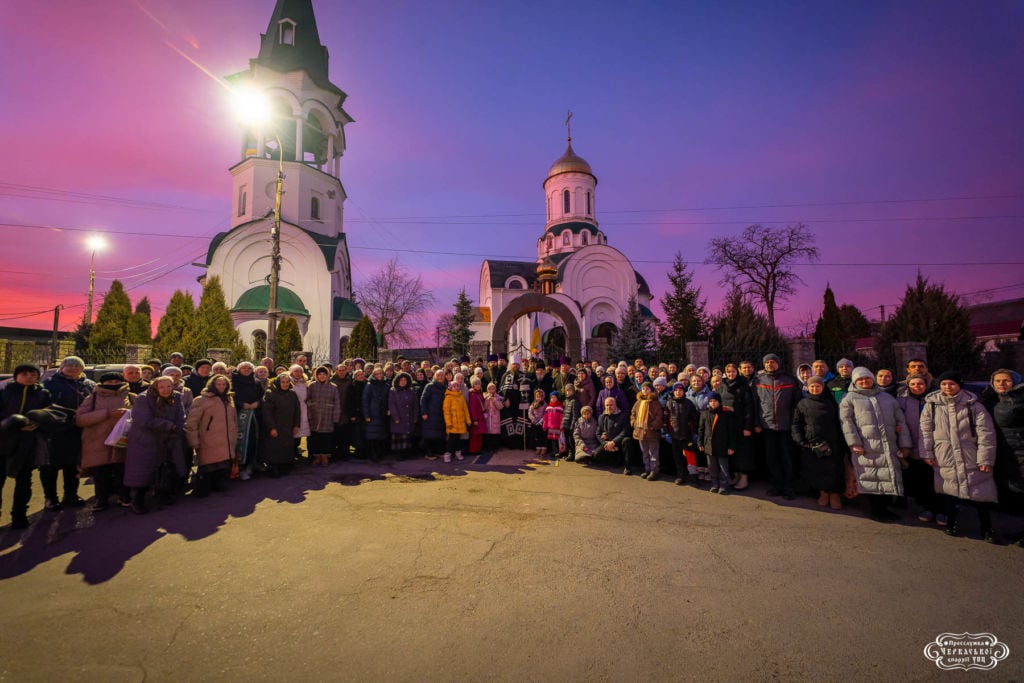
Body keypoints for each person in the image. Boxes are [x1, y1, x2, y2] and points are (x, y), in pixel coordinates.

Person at [920, 372, 999, 542]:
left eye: (951, 384)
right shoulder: (932, 405)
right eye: (944, 384)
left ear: (959, 385)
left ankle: (987, 528)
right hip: (945, 454)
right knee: (950, 492)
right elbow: (925, 432)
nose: (947, 387)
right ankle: (951, 523)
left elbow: (986, 434)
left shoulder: (974, 406)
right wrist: (926, 453)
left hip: (970, 454)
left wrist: (985, 459)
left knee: (980, 494)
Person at [840, 367, 912, 522]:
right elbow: (847, 423)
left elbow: (901, 421)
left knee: (888, 477)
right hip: (866, 447)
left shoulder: (887, 398)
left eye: (867, 378)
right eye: (860, 379)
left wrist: (905, 444)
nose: (864, 381)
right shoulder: (849, 399)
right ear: (855, 381)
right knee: (870, 477)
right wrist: (854, 443)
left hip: (888, 445)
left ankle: (884, 508)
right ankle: (875, 510)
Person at [124, 377, 187, 513]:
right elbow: (144, 420)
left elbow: (181, 415)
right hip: (146, 440)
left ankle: (163, 495)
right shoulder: (144, 398)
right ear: (155, 387)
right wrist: (170, 426)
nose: (166, 390)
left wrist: (178, 428)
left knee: (167, 467)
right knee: (143, 472)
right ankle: (137, 501)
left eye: (169, 386)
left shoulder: (176, 397)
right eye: (162, 387)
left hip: (169, 438)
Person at [0, 364, 51, 528]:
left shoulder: (43, 394)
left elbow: (50, 414)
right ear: (16, 376)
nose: (29, 376)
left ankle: (19, 516)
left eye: (33, 374)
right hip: (4, 441)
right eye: (25, 373)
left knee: (24, 481)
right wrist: (7, 423)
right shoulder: (4, 392)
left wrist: (38, 424)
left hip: (28, 443)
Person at [41, 356, 94, 510]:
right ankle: (50, 498)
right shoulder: (50, 384)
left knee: (73, 465)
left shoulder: (89, 385)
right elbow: (43, 405)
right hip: (55, 431)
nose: (73, 368)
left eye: (77, 366)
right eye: (69, 365)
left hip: (78, 430)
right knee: (50, 466)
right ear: (62, 367)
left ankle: (71, 495)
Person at [75, 372, 133, 511]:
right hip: (98, 440)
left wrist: (128, 413)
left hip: (123, 440)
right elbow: (80, 419)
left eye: (116, 381)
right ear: (102, 383)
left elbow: (141, 414)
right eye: (109, 382)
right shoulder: (93, 398)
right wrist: (106, 413)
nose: (113, 384)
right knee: (101, 473)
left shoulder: (130, 396)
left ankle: (124, 496)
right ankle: (101, 500)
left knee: (123, 471)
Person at [792, 376, 846, 510]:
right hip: (812, 442)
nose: (815, 389)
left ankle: (834, 494)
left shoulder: (831, 402)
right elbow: (796, 423)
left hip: (832, 441)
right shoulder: (802, 403)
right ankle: (823, 493)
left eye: (818, 386)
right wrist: (800, 440)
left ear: (822, 387)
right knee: (816, 469)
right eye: (812, 386)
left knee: (833, 469)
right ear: (808, 388)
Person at [753, 354, 802, 500]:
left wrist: (794, 423)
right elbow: (755, 404)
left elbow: (796, 403)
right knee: (771, 457)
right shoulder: (758, 381)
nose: (770, 365)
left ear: (778, 363)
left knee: (787, 457)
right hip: (767, 426)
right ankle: (776, 485)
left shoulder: (789, 380)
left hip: (785, 426)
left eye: (772, 362)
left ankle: (788, 487)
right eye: (767, 362)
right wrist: (757, 422)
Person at [897, 374, 944, 525]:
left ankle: (942, 509)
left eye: (920, 384)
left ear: (926, 385)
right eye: (913, 384)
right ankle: (927, 507)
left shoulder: (935, 400)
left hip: (935, 445)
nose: (917, 387)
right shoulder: (902, 400)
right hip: (913, 444)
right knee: (922, 479)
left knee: (938, 478)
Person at [985, 369, 1024, 541]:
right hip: (1003, 452)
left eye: (1006, 380)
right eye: (998, 381)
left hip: (1020, 452)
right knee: (1015, 492)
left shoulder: (1020, 400)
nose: (1001, 383)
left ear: (1015, 381)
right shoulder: (992, 399)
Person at [184, 375, 238, 496]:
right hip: (208, 439)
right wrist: (194, 441)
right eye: (218, 384)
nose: (221, 387)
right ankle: (202, 488)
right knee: (207, 466)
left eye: (224, 384)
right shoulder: (201, 399)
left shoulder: (229, 399)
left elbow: (233, 419)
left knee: (222, 465)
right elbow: (192, 423)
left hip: (225, 439)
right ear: (212, 385)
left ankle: (218, 484)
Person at [719, 363, 755, 490]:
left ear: (737, 372)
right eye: (728, 372)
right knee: (732, 450)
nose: (731, 374)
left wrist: (747, 427)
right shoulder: (722, 385)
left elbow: (749, 407)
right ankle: (736, 475)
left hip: (740, 423)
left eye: (733, 371)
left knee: (743, 452)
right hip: (727, 424)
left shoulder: (744, 385)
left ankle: (744, 478)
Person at [260, 374, 301, 477]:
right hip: (276, 425)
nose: (285, 384)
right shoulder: (271, 393)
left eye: (287, 382)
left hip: (288, 427)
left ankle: (285, 466)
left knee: (286, 447)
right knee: (274, 448)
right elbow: (267, 413)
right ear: (278, 382)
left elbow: (297, 410)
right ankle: (273, 468)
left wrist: (296, 425)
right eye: (283, 382)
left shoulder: (292, 394)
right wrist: (271, 427)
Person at [698, 392, 736, 494]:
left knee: (723, 467)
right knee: (712, 466)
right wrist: (700, 443)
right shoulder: (705, 414)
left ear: (719, 402)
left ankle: (724, 485)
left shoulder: (726, 414)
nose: (713, 403)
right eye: (710, 401)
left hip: (723, 445)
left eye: (715, 401)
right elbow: (701, 430)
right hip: (709, 445)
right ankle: (715, 483)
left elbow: (731, 432)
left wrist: (731, 446)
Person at [232, 362, 262, 479]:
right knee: (238, 442)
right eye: (244, 368)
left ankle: (249, 465)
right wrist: (241, 404)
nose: (246, 369)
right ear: (239, 369)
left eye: (249, 368)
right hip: (238, 414)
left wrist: (257, 403)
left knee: (252, 440)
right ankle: (238, 467)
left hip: (253, 416)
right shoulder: (233, 381)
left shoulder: (256, 382)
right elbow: (231, 396)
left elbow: (262, 396)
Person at [665, 381, 699, 486]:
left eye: (680, 390)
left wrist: (695, 433)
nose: (678, 392)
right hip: (674, 436)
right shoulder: (669, 403)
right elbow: (666, 418)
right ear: (673, 392)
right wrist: (666, 432)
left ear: (683, 392)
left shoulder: (689, 403)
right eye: (676, 390)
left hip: (687, 436)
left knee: (690, 457)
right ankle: (681, 476)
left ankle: (693, 477)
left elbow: (695, 419)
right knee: (677, 457)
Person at [307, 366, 341, 467]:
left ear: (327, 375)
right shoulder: (311, 386)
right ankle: (317, 457)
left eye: (324, 374)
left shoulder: (333, 386)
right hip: (315, 415)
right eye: (320, 374)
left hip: (328, 415)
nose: (322, 376)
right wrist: (309, 413)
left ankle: (325, 456)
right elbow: (307, 400)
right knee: (315, 437)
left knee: (326, 438)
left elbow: (337, 403)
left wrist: (335, 417)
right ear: (316, 375)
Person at [630, 382, 664, 480]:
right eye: (643, 388)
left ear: (651, 390)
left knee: (653, 453)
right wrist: (634, 423)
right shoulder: (638, 402)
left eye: (647, 389)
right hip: (640, 431)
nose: (645, 390)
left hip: (652, 432)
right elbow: (633, 413)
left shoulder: (655, 402)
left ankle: (654, 471)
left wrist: (653, 426)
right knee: (644, 452)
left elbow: (659, 417)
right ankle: (647, 469)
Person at [388, 372, 419, 460]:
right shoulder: (393, 391)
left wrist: (415, 417)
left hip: (409, 416)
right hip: (399, 417)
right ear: (397, 381)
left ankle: (407, 453)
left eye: (405, 380)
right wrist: (396, 418)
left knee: (408, 436)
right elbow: (392, 405)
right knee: (399, 435)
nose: (403, 382)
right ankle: (399, 454)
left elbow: (415, 405)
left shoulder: (411, 391)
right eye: (401, 380)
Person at [362, 366, 391, 462]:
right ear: (373, 375)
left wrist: (388, 409)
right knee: (372, 436)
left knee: (381, 435)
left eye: (380, 374)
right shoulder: (369, 385)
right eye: (377, 374)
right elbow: (365, 401)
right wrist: (367, 415)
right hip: (372, 414)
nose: (379, 375)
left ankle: (379, 454)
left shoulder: (386, 385)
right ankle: (372, 455)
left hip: (382, 414)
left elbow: (388, 399)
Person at [420, 370, 448, 460]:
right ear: (435, 376)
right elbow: (423, 400)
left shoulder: (444, 387)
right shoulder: (430, 386)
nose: (440, 377)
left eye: (442, 375)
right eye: (438, 375)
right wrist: (424, 412)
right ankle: (429, 454)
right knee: (429, 435)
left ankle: (438, 452)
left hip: (440, 415)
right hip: (430, 414)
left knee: (439, 434)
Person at [442, 378, 471, 463]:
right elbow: (446, 412)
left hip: (461, 423)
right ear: (450, 388)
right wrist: (449, 423)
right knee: (451, 440)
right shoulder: (448, 398)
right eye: (454, 386)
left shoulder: (461, 397)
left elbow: (465, 410)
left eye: (457, 386)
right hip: (452, 424)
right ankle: (448, 454)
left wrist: (468, 420)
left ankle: (458, 453)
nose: (456, 387)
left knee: (459, 439)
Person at [289, 365, 311, 462]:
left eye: (300, 371)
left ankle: (297, 451)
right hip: (292, 409)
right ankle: (291, 453)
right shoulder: (288, 382)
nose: (298, 373)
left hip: (303, 408)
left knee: (300, 431)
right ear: (291, 372)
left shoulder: (305, 383)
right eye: (296, 371)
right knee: (292, 430)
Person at [331, 363, 353, 461]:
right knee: (335, 434)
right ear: (336, 371)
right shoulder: (332, 381)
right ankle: (336, 453)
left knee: (346, 433)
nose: (342, 372)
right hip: (334, 411)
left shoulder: (350, 381)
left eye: (343, 370)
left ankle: (345, 453)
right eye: (340, 370)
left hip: (346, 411)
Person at [560, 383, 579, 460]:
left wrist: (572, 425)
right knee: (567, 439)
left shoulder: (574, 401)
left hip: (570, 424)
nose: (568, 392)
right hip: (565, 423)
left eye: (570, 390)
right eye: (567, 390)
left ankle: (572, 454)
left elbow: (575, 415)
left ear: (573, 391)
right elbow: (564, 413)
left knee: (571, 440)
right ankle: (568, 453)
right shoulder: (566, 400)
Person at [482, 383, 503, 454]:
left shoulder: (498, 397)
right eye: (490, 389)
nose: (491, 390)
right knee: (488, 435)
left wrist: (494, 400)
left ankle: (495, 448)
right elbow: (484, 407)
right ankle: (489, 448)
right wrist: (487, 401)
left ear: (495, 389)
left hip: (495, 418)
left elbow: (500, 407)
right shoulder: (485, 397)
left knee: (495, 435)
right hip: (488, 418)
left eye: (493, 388)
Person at [542, 391, 565, 459]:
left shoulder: (560, 407)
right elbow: (545, 418)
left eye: (554, 397)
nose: (553, 399)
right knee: (552, 440)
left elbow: (562, 417)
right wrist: (544, 425)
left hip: (557, 427)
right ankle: (554, 451)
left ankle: (558, 452)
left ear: (557, 398)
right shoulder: (548, 407)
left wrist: (561, 426)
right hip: (550, 427)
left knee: (558, 440)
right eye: (552, 398)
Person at [528, 388, 547, 457]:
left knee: (543, 436)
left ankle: (543, 448)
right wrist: (534, 420)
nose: (539, 398)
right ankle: (538, 448)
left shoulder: (545, 404)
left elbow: (546, 413)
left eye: (540, 396)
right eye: (537, 396)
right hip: (535, 423)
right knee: (537, 436)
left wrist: (541, 420)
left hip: (542, 423)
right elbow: (530, 412)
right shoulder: (533, 404)